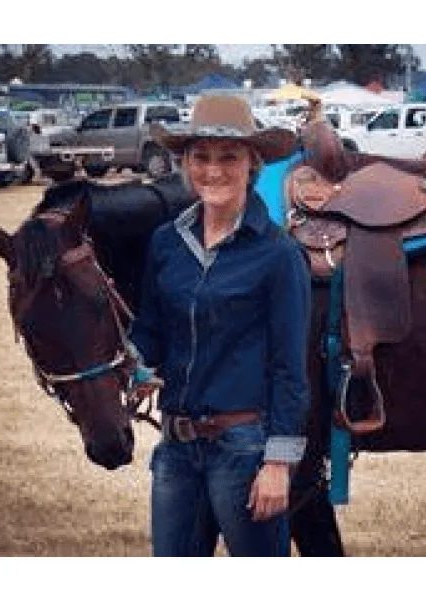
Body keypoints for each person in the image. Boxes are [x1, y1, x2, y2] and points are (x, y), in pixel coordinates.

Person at [129, 95, 312, 557]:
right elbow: (151, 330)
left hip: (244, 451)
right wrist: (133, 366)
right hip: (175, 449)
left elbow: (290, 368)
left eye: (228, 157)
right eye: (201, 157)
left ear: (252, 164)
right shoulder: (166, 242)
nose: (213, 171)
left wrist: (278, 462)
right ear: (185, 162)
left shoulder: (279, 255)